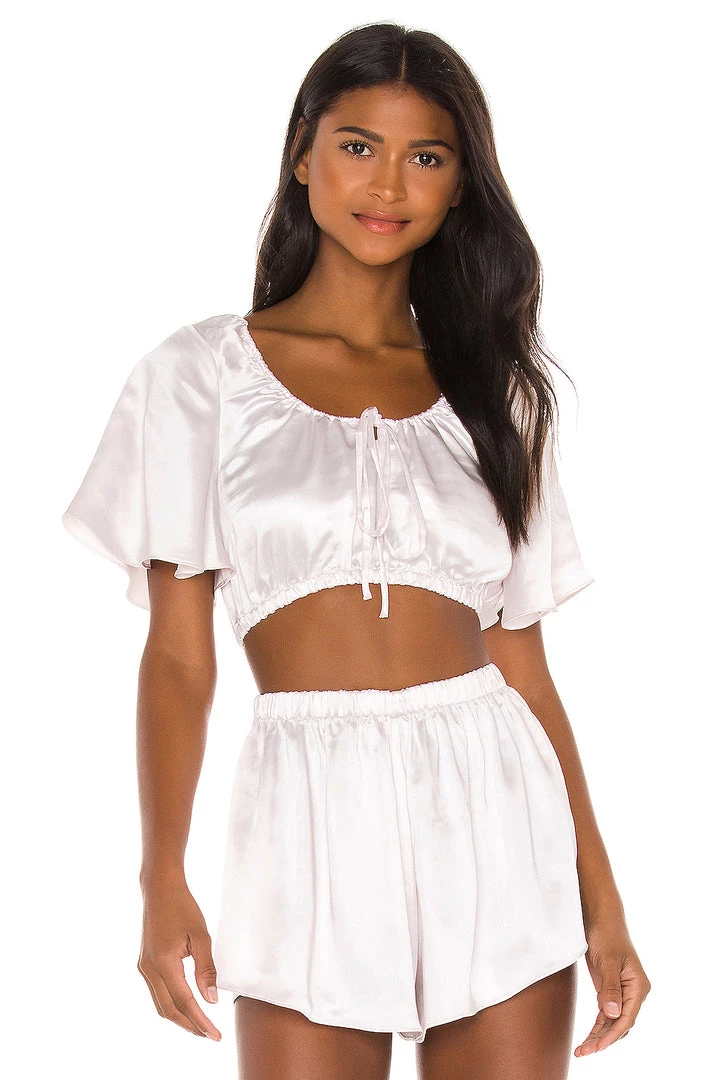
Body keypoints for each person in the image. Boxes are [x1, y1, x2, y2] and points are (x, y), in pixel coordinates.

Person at [60, 21, 651, 1080]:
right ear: (302, 154)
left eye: (426, 156)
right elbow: (180, 656)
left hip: (496, 806)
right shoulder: (200, 376)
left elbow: (524, 668)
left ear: (460, 187)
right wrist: (160, 876)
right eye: (356, 145)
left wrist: (602, 900)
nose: (387, 184)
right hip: (304, 810)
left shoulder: (496, 395)